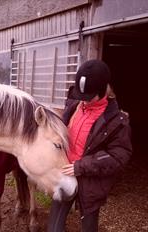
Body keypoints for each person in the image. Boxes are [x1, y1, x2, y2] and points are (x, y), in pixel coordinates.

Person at [47, 59, 132, 232]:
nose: (83, 101)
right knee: (54, 228)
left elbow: (118, 156)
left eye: (88, 97)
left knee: (89, 227)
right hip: (65, 173)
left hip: (91, 182)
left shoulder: (117, 121)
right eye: (80, 96)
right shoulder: (74, 106)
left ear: (102, 91)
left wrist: (81, 166)